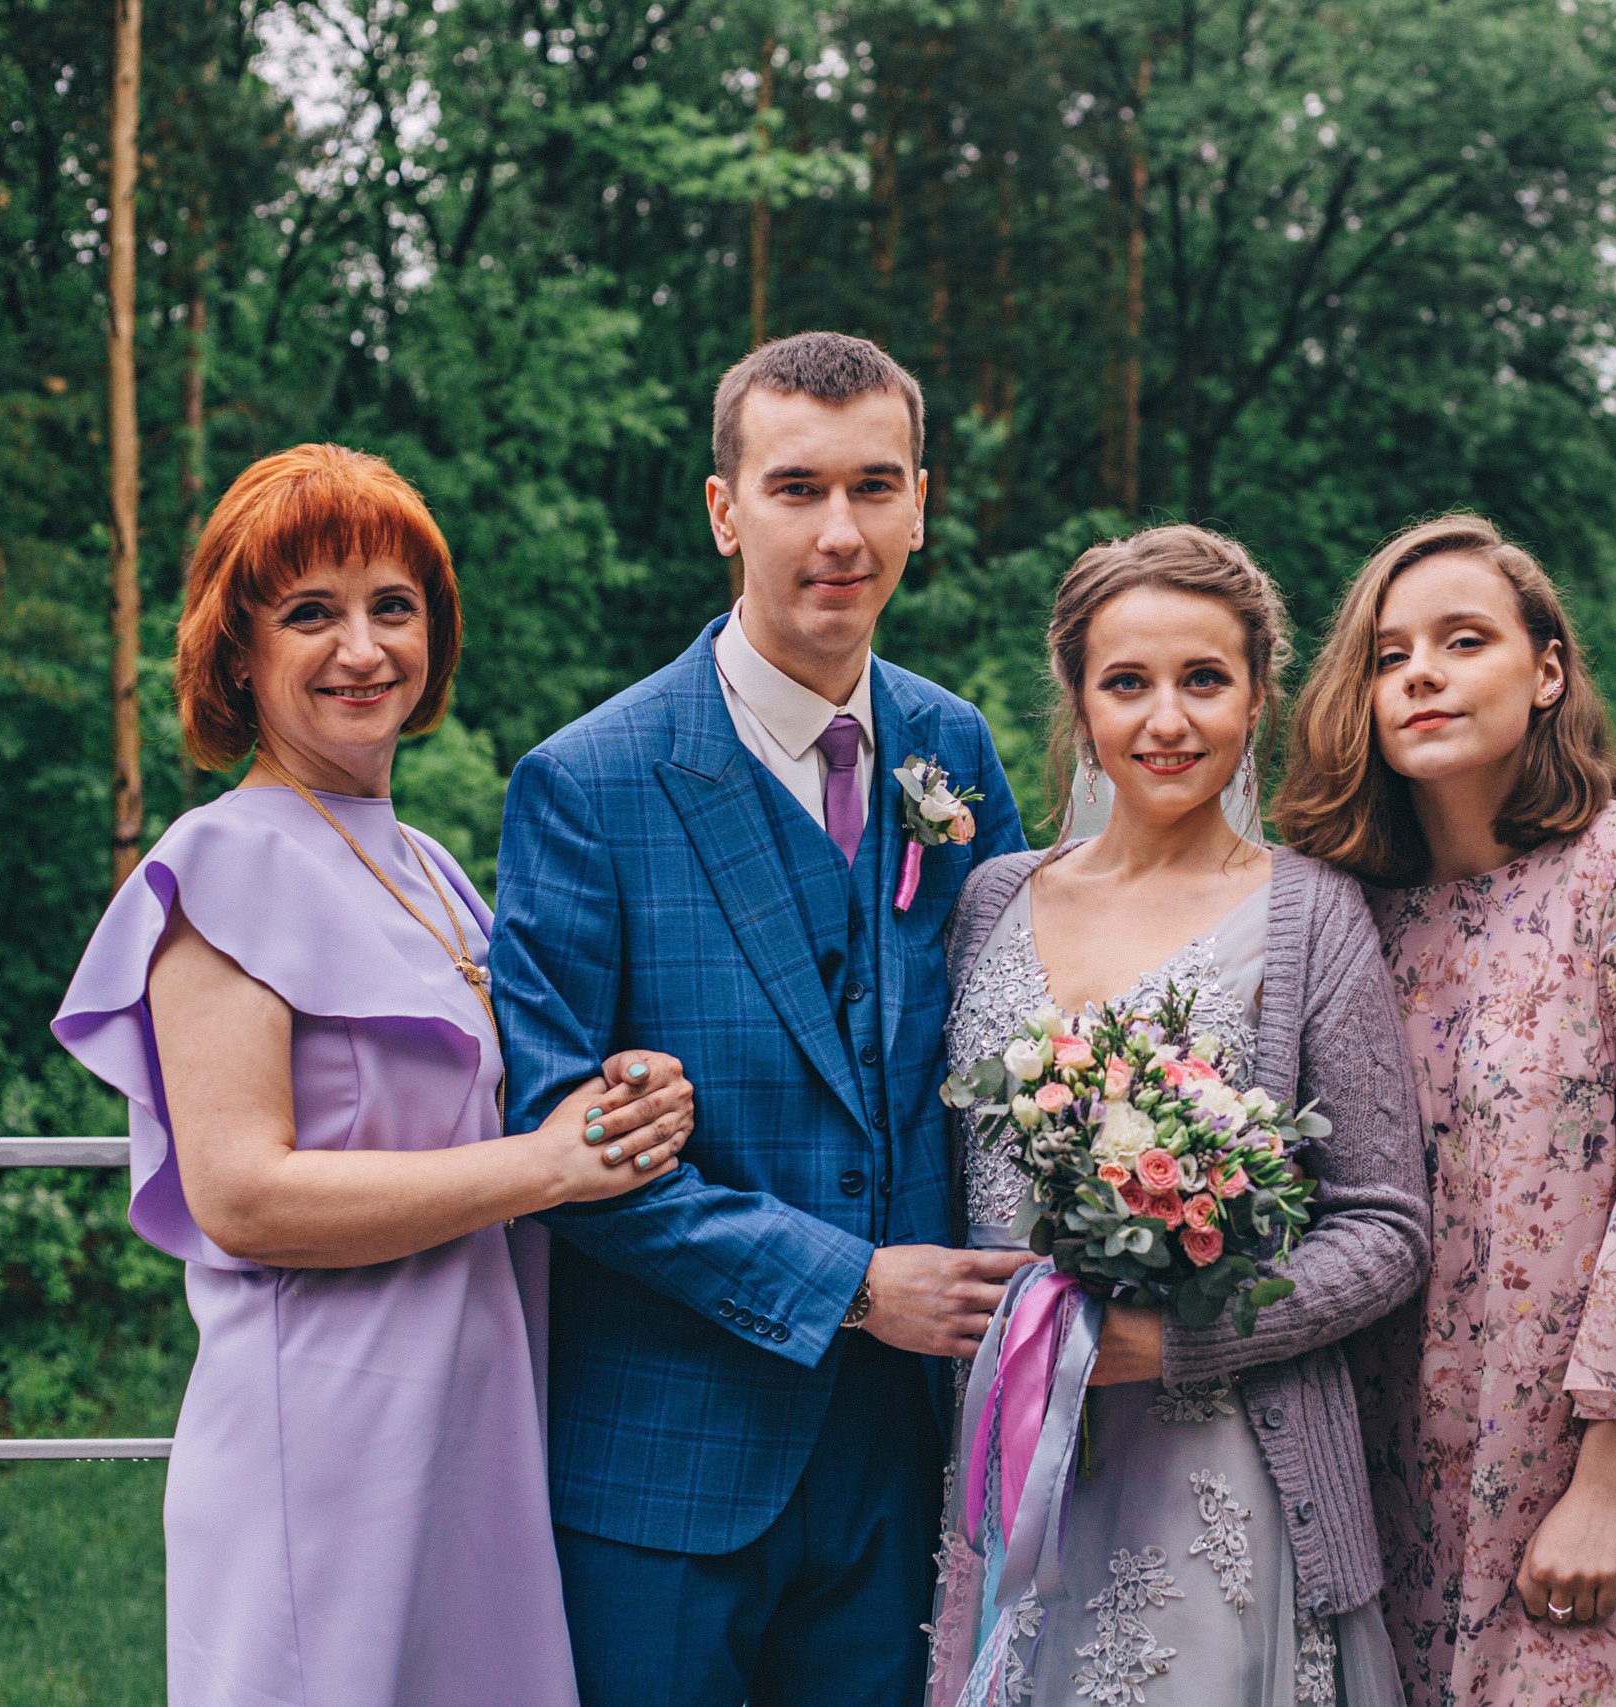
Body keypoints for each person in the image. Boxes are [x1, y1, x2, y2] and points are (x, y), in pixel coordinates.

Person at [51, 444, 694, 1707]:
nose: (362, 648)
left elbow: (489, 1107)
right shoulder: (220, 864)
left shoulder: (433, 866)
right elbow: (241, 1197)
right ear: (238, 651)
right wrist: (544, 1166)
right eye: (311, 613)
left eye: (392, 607)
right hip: (325, 1447)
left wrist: (620, 1100)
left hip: (475, 1426)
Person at [490, 332, 1030, 1707]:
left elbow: (1025, 1055)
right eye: (796, 487)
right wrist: (850, 1285)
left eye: (875, 485)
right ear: (726, 508)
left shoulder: (952, 750)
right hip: (671, 1454)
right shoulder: (589, 779)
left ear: (923, 501)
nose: (839, 531)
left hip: (909, 1451)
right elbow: (553, 1146)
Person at [927, 524, 1430, 1707]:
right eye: (1127, 684)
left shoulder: (1314, 916)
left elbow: (1385, 1228)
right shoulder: (991, 897)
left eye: (1203, 681)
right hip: (1013, 1460)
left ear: (1257, 697)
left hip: (1221, 1465)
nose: (1166, 721)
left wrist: (1177, 1342)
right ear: (1078, 699)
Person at [1275, 514, 1616, 1707]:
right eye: (1389, 656)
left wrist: (1606, 1485)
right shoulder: (1349, 917)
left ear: (1546, 672)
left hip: (1596, 1477)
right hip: (1388, 1463)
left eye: (1463, 641)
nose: (1422, 675)